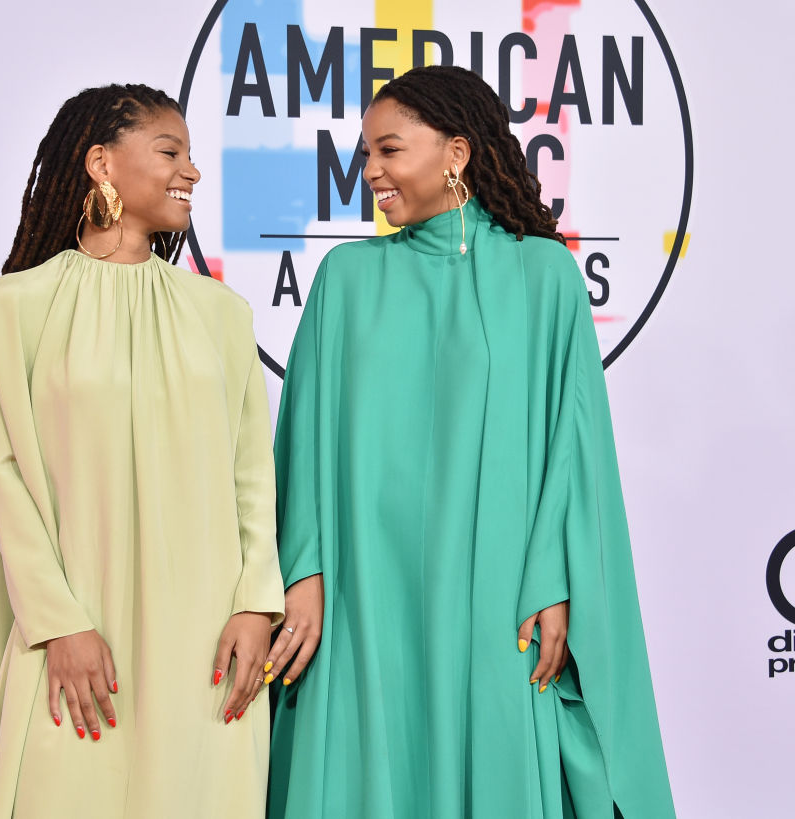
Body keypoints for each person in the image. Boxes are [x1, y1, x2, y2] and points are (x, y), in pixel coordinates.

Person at [264, 65, 675, 818]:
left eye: (388, 150)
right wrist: (306, 572)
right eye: (365, 155)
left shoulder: (543, 273)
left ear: (456, 152)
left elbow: (573, 442)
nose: (371, 172)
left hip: (499, 581)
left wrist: (554, 577)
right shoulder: (344, 279)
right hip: (366, 584)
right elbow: (304, 447)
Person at [0, 83, 284, 818]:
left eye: (192, 155)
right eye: (170, 152)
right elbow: (6, 476)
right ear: (101, 163)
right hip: (76, 638)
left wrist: (255, 604)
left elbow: (251, 474)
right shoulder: (14, 308)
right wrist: (57, 621)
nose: (193, 173)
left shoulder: (221, 313)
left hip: (207, 644)